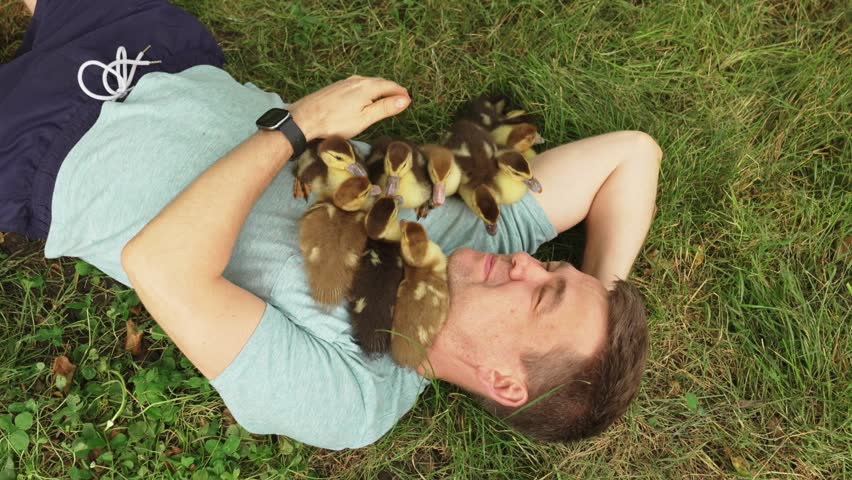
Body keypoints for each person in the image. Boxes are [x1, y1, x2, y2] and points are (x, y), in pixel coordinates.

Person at [1, 0, 660, 449]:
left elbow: (162, 266)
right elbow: (632, 156)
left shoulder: (353, 394)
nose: (529, 262)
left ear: (505, 383)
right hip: (160, 62)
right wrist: (600, 295)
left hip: (49, 157)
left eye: (543, 292)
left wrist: (301, 128)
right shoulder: (479, 242)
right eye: (553, 266)